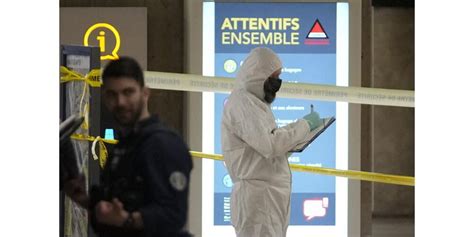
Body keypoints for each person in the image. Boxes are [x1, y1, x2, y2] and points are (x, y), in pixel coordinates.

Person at [63, 57, 193, 237]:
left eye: (128, 92)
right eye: (112, 94)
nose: (120, 102)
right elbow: (117, 208)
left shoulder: (162, 144)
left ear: (145, 93)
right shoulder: (124, 145)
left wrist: (128, 220)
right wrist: (85, 199)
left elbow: (173, 215)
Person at [221, 47, 322, 237]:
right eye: (274, 77)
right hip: (258, 201)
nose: (277, 84)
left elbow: (265, 144)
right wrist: (304, 125)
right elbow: (270, 145)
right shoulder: (242, 103)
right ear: (258, 76)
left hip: (267, 197)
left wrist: (299, 136)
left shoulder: (255, 103)